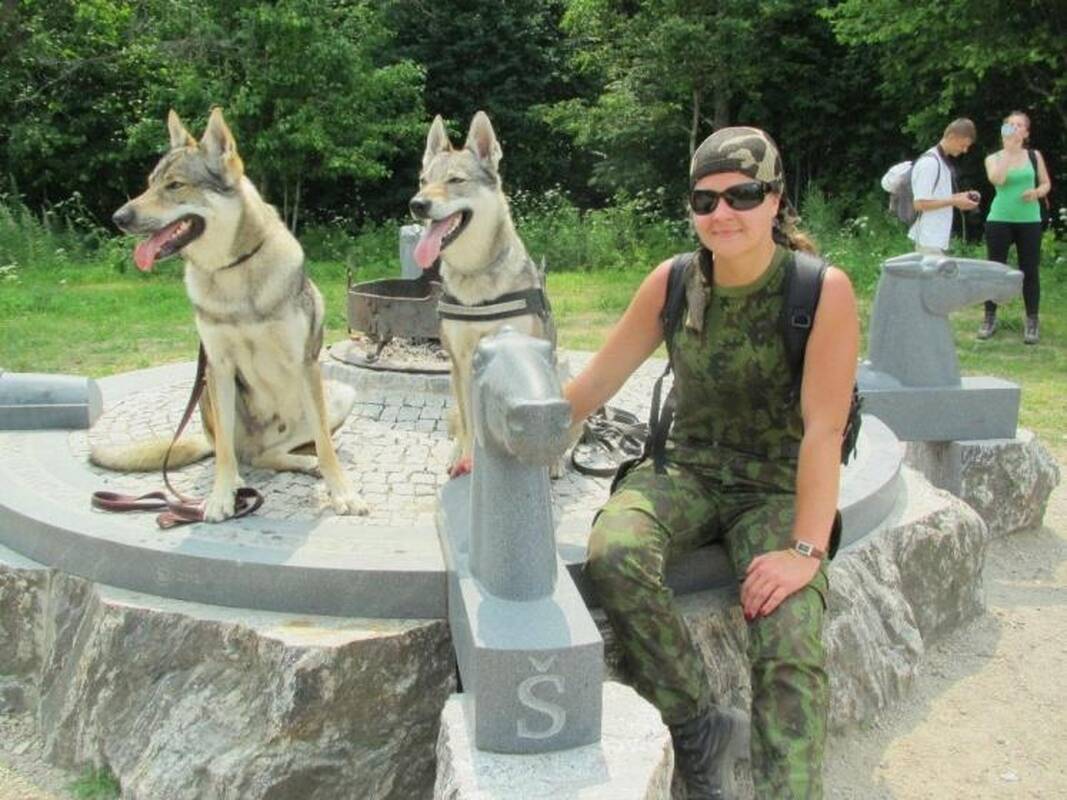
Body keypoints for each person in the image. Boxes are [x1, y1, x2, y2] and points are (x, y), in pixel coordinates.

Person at [563, 127, 859, 799]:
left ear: (775, 199)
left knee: (789, 639)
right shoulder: (672, 282)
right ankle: (698, 727)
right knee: (614, 552)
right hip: (686, 470)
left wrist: (804, 552)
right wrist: (504, 438)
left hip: (776, 486)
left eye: (742, 195)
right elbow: (592, 386)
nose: (722, 213)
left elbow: (824, 430)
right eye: (705, 200)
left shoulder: (819, 291)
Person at [979, 111, 1052, 344]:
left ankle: (1032, 321)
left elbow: (1046, 183)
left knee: (1029, 270)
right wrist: (1008, 152)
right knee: (995, 269)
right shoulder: (993, 157)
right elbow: (997, 180)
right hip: (1000, 219)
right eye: (1010, 125)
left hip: (1029, 220)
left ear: (1026, 133)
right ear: (1004, 130)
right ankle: (989, 318)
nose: (1014, 128)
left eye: (1019, 125)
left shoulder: (1034, 156)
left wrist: (1037, 192)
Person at [909, 118, 980, 255]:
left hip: (936, 238)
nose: (965, 150)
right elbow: (919, 203)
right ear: (951, 137)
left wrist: (960, 198)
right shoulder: (930, 163)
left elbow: (937, 197)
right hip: (928, 238)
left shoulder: (941, 161)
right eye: (963, 145)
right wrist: (954, 201)